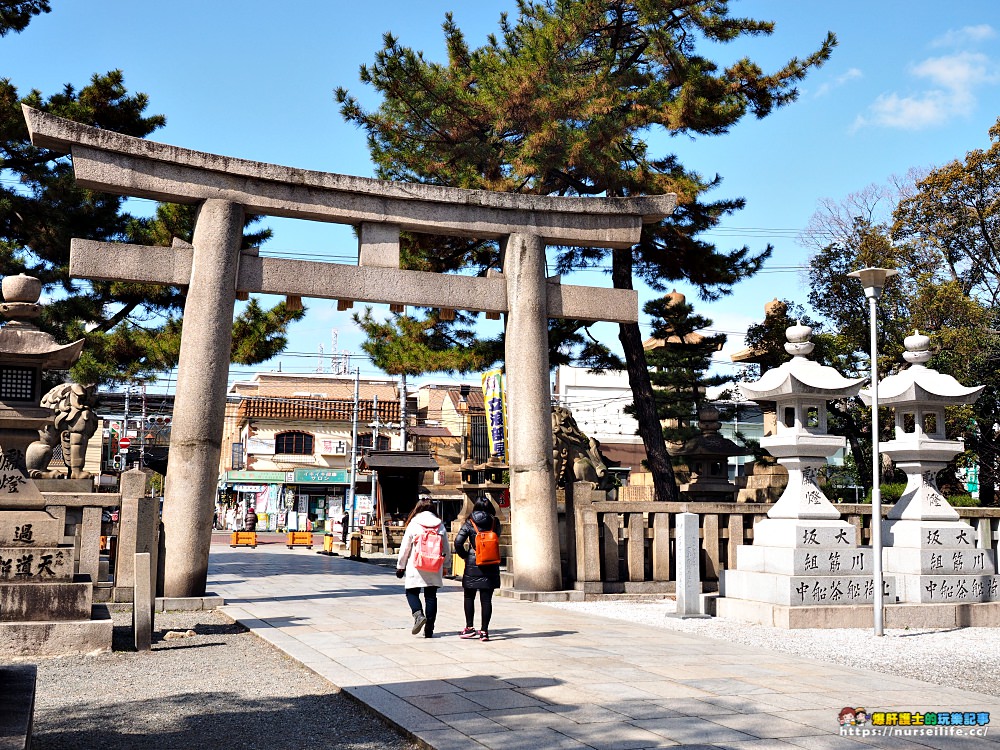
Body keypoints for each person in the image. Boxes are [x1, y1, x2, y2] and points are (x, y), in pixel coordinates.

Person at [395, 497, 449, 638]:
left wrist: (400, 566)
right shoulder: (439, 525)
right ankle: (429, 629)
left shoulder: (414, 524)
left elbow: (405, 547)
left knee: (411, 592)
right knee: (431, 596)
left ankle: (418, 614)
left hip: (416, 565)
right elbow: (446, 547)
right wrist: (446, 565)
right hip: (435, 564)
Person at [454, 498, 501, 642]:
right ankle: (484, 631)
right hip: (491, 563)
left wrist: (466, 556)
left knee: (469, 597)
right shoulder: (495, 522)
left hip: (473, 564)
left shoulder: (470, 522)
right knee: (486, 600)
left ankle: (469, 628)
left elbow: (458, 542)